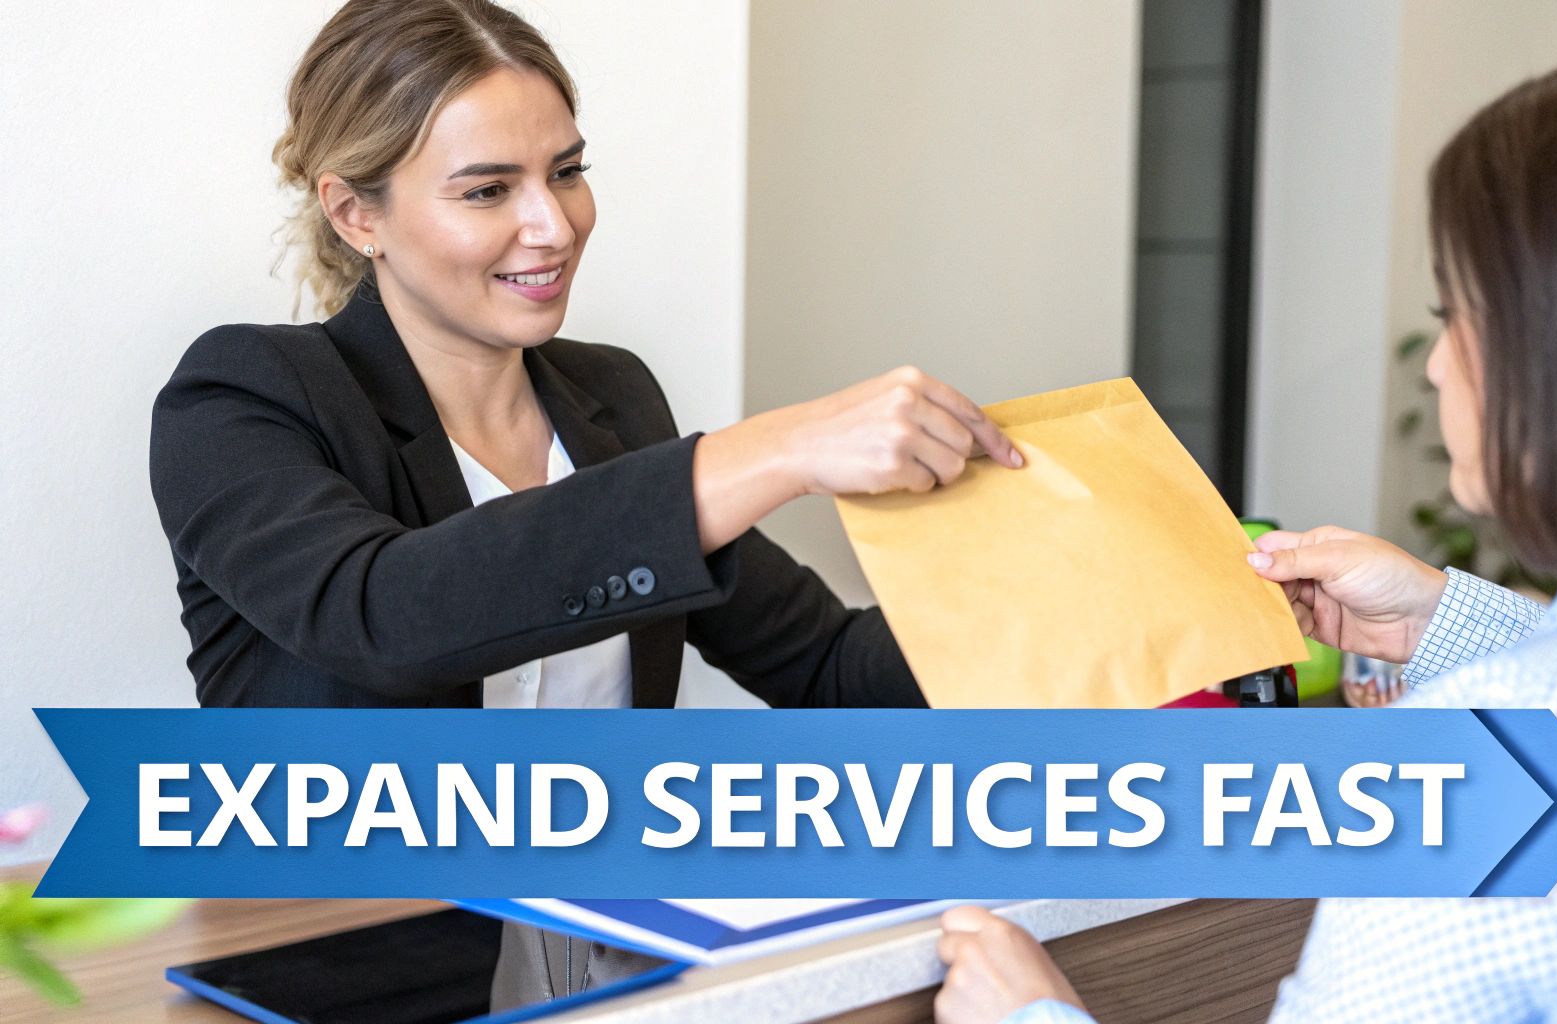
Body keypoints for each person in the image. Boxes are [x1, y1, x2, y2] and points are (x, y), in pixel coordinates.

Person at [147, 0, 1019, 1005]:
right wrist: (771, 450)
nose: (553, 225)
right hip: (342, 991)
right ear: (356, 213)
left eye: (566, 171)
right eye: (488, 189)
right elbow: (388, 614)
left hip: (613, 978)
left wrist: (1071, 586)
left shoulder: (611, 401)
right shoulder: (245, 395)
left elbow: (824, 665)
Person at [934, 34, 1557, 1023]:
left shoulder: (1486, 778)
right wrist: (1442, 621)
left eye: (1458, 315)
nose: (1436, 366)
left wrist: (1026, 1016)